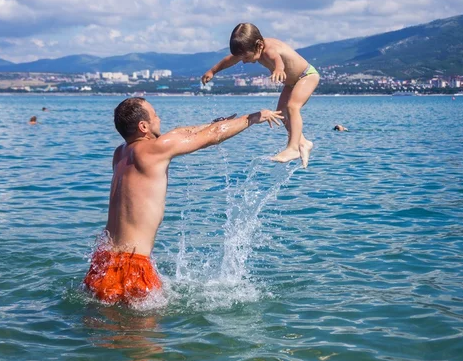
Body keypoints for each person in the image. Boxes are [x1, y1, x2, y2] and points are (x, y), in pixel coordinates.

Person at [83, 97, 283, 304]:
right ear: (144, 126)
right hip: (135, 265)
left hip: (103, 261)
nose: (159, 119)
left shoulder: (120, 154)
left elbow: (179, 133)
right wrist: (253, 118)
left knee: (102, 331)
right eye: (155, 116)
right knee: (141, 334)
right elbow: (213, 136)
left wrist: (212, 123)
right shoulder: (154, 149)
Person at [202, 23, 318, 168]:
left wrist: (278, 69)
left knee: (292, 107)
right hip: (291, 83)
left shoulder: (269, 49)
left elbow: (278, 59)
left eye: (245, 57)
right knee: (281, 113)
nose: (244, 61)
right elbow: (230, 60)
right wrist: (213, 71)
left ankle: (293, 148)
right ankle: (303, 143)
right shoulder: (253, 47)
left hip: (306, 76)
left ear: (259, 45)